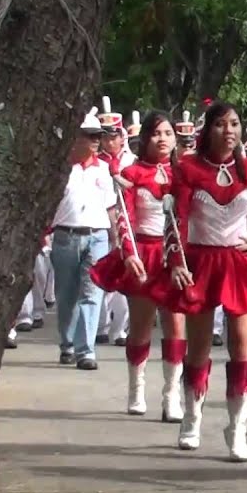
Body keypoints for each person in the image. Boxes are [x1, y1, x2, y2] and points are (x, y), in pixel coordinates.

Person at [160, 100, 247, 462]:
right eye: (220, 124)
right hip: (199, 261)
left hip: (238, 262)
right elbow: (176, 220)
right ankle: (192, 418)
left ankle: (237, 428)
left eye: (234, 124)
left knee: (242, 346)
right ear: (207, 130)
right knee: (199, 347)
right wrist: (176, 261)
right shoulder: (187, 169)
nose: (229, 131)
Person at [90, 111, 186, 420]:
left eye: (168, 133)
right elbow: (124, 218)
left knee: (176, 326)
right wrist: (129, 254)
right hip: (144, 253)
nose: (163, 139)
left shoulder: (184, 174)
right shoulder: (132, 174)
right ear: (145, 137)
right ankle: (136, 388)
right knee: (142, 326)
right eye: (157, 133)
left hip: (176, 257)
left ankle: (171, 396)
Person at [49, 107, 117, 370]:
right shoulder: (62, 168)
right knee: (66, 295)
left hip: (97, 237)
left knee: (91, 293)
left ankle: (85, 351)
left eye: (97, 136)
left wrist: (115, 238)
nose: (94, 141)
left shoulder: (103, 169)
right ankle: (67, 344)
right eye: (89, 136)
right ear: (75, 137)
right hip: (66, 235)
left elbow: (111, 206)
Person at [95, 103, 136, 347]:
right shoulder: (97, 162)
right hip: (101, 222)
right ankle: (100, 326)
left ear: (122, 136)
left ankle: (119, 329)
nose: (109, 142)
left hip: (127, 222)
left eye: (113, 136)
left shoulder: (133, 161)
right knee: (100, 277)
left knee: (126, 279)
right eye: (104, 137)